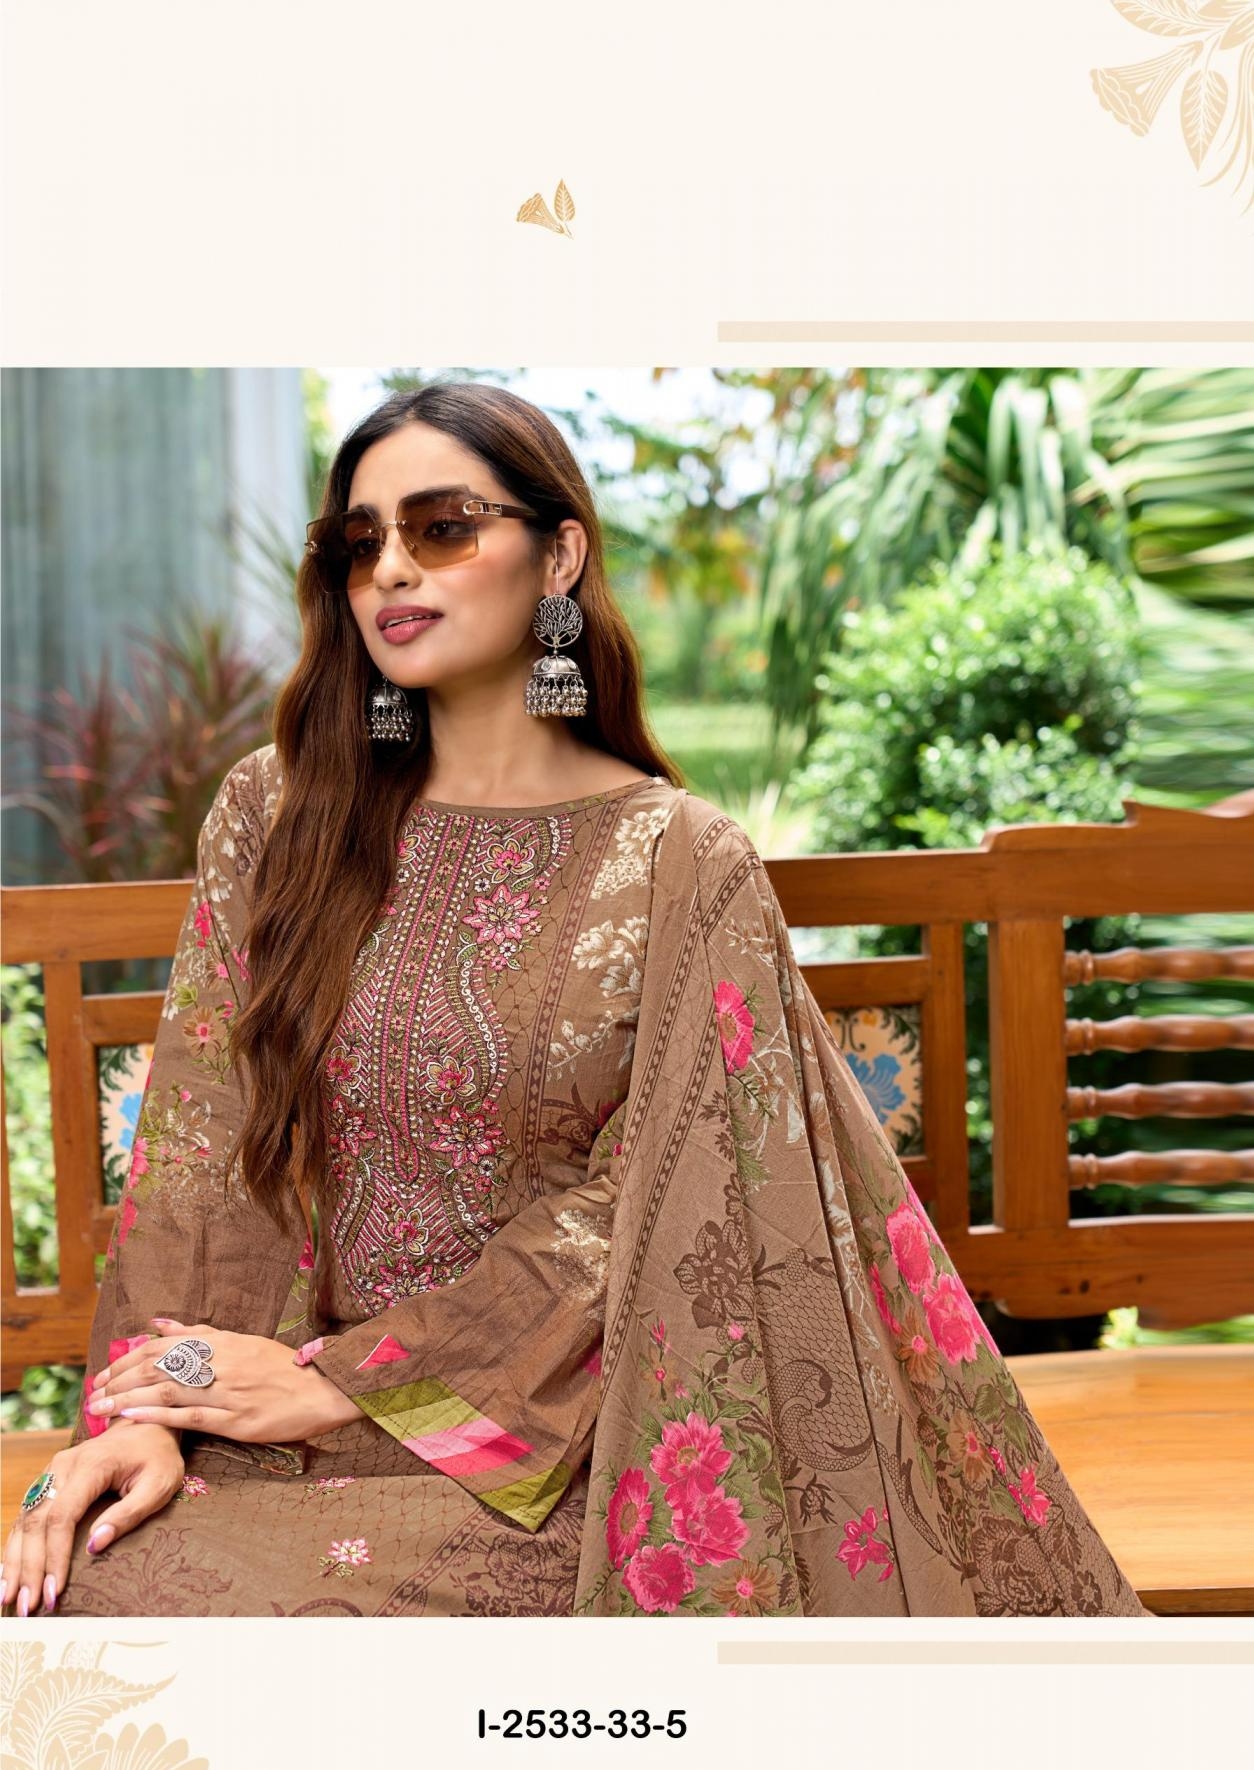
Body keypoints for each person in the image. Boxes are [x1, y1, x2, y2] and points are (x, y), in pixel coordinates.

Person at [1, 381, 1151, 1618]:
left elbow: (662, 1192)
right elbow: (207, 1143)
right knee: (90, 1596)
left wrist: (349, 1381)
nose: (392, 568)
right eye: (359, 540)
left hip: (557, 1438)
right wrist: (155, 1403)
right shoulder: (281, 816)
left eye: (443, 527)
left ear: (559, 556)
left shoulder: (676, 860)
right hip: (267, 1411)